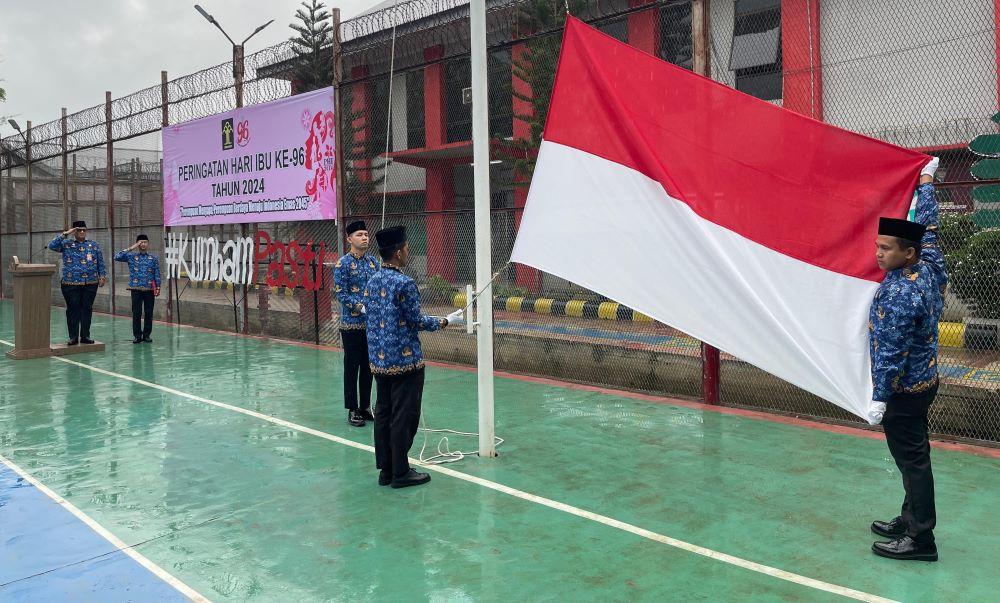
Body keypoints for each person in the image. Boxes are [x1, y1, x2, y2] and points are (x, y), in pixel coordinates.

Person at [869, 157, 946, 562]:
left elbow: (890, 352)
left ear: (908, 253)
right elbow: (930, 228)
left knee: (912, 460)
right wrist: (926, 182)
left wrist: (880, 397)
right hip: (926, 380)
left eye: (886, 248)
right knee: (913, 456)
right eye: (878, 246)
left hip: (903, 390)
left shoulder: (899, 292)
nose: (878, 254)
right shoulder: (929, 264)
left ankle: (921, 539)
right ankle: (910, 517)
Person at [364, 226, 460, 488]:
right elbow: (416, 320)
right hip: (405, 362)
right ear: (397, 252)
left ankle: (386, 470)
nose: (408, 251)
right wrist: (444, 321)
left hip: (380, 361)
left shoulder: (373, 281)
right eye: (406, 248)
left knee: (384, 414)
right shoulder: (404, 283)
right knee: (404, 417)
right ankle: (401, 472)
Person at [334, 220, 381, 427]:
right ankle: (353, 409)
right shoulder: (343, 264)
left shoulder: (373, 263)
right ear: (349, 239)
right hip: (351, 325)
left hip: (371, 325)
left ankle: (365, 407)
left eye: (366, 234)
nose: (364, 238)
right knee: (352, 367)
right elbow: (340, 293)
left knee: (369, 367)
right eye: (359, 235)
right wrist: (359, 306)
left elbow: (379, 288)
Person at [48, 220, 106, 345]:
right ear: (74, 231)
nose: (82, 232)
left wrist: (102, 276)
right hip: (70, 284)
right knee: (72, 310)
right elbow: (51, 245)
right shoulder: (66, 244)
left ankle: (85, 336)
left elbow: (100, 262)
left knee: (87, 309)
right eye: (79, 230)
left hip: (90, 283)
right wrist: (66, 233)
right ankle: (73, 337)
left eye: (84, 230)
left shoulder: (93, 245)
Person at [114, 234, 161, 344]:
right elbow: (116, 256)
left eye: (145, 242)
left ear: (148, 244)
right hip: (136, 289)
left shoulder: (153, 258)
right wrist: (132, 247)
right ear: (137, 244)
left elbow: (157, 273)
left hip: (149, 289)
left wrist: (158, 287)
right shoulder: (131, 257)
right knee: (136, 313)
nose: (143, 244)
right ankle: (137, 336)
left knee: (149, 313)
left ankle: (147, 335)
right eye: (140, 242)